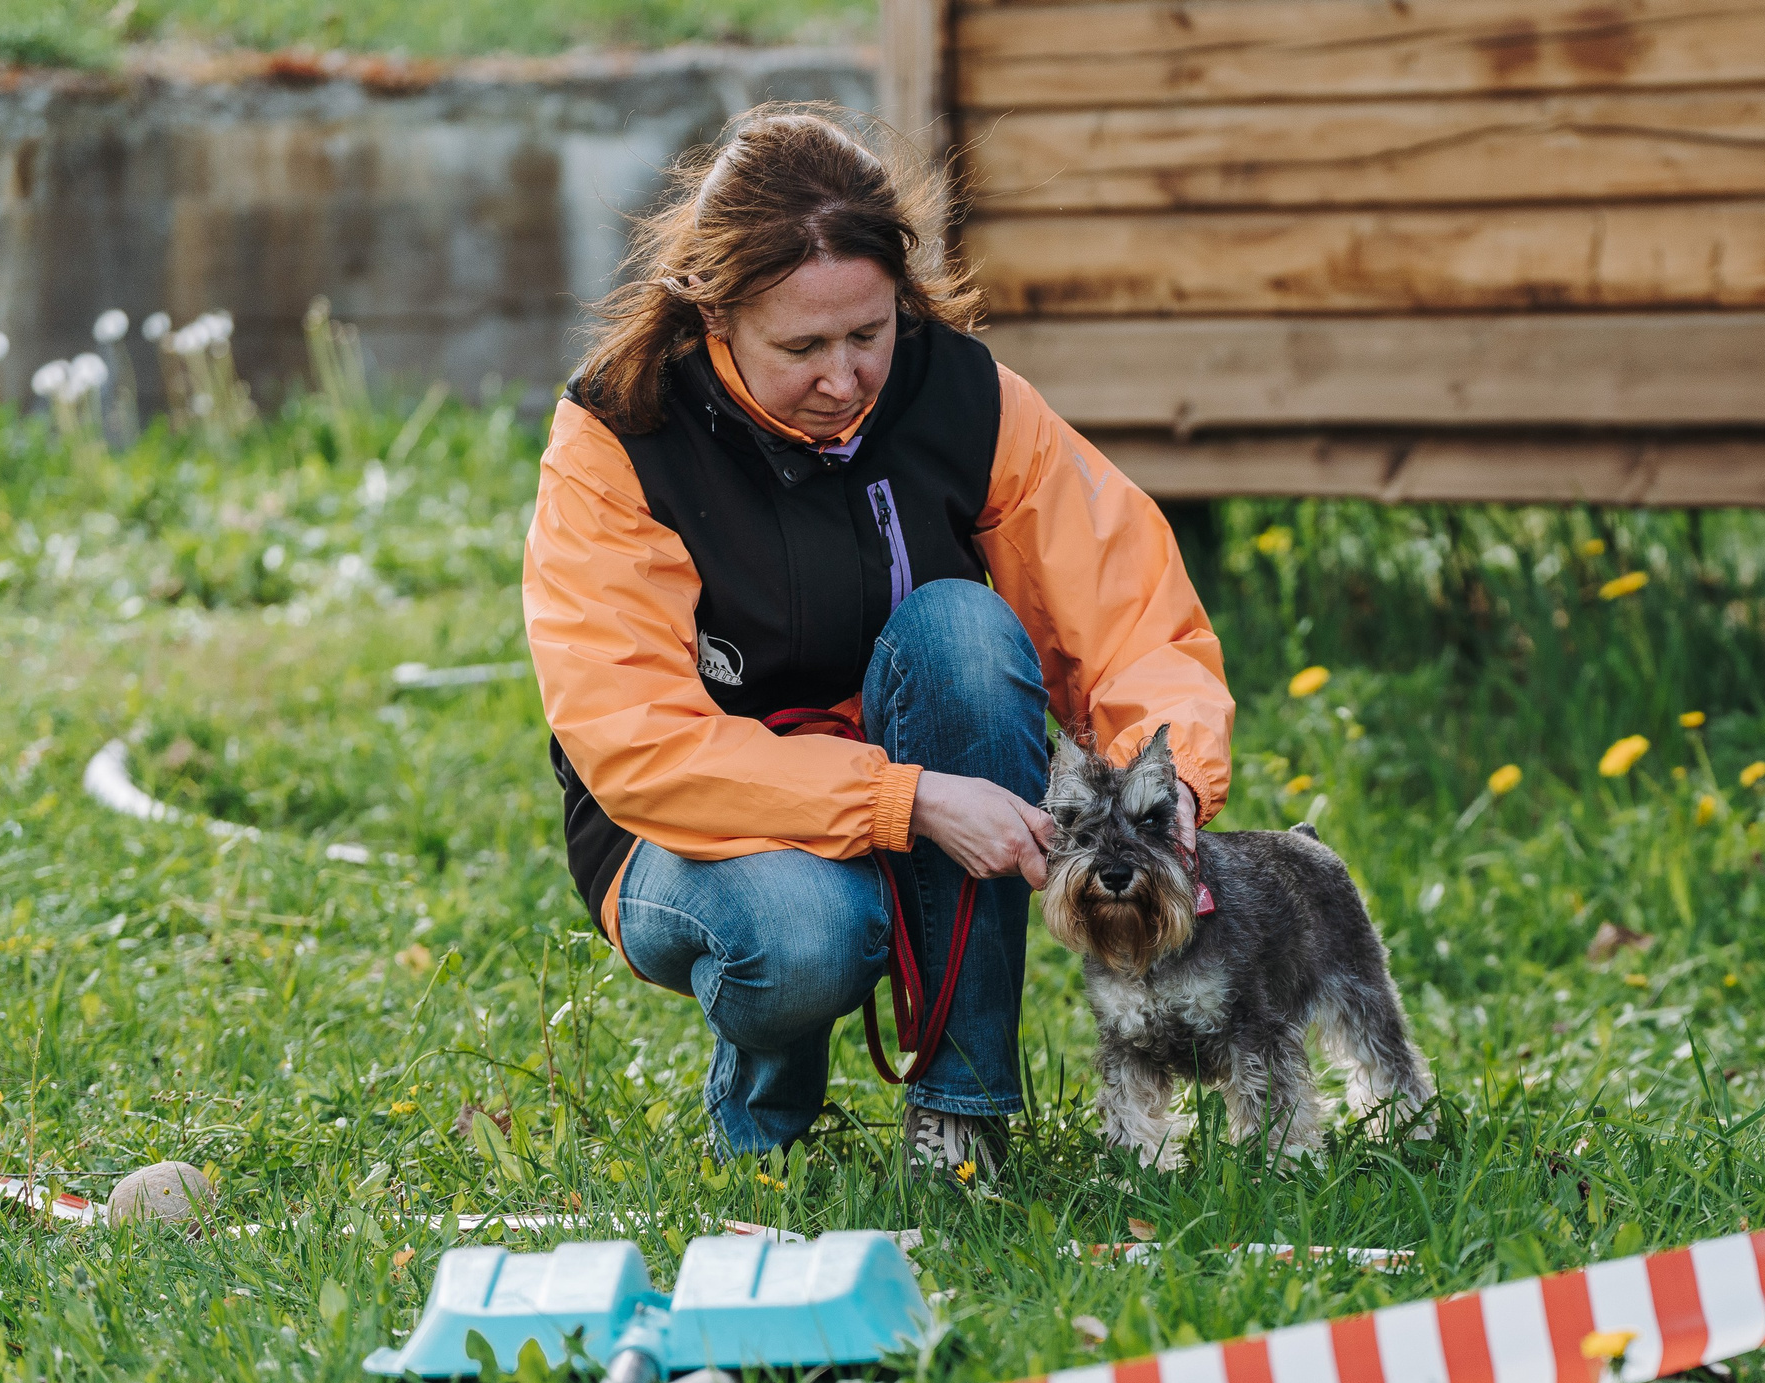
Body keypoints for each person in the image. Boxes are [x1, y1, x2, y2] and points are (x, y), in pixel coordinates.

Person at [522, 104, 1233, 1180]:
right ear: (712, 317)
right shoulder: (618, 439)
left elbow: (1129, 613)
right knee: (808, 931)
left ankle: (962, 1120)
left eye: (870, 333)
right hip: (680, 825)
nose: (846, 377)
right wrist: (903, 800)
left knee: (963, 624)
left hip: (906, 771)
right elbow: (640, 744)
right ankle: (761, 1121)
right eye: (801, 347)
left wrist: (1167, 778)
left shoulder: (968, 398)